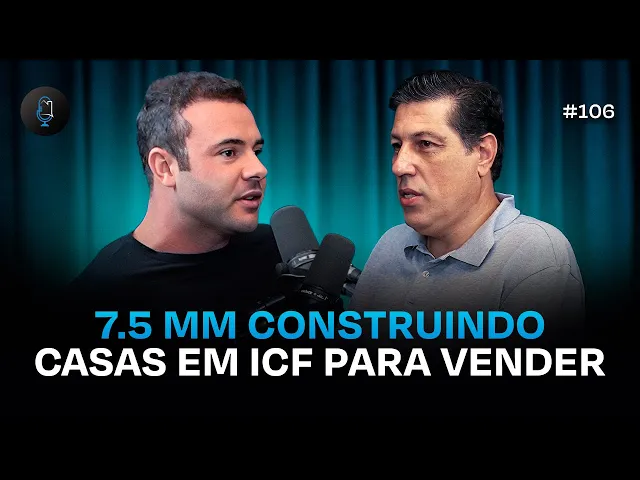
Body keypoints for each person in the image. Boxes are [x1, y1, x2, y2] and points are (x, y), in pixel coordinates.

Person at [349, 70, 585, 343]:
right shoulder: (391, 242)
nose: (399, 166)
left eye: (425, 144)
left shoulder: (537, 255)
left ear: (483, 154)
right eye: (397, 145)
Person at [67, 71, 283, 334]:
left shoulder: (277, 249)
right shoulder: (98, 298)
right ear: (165, 167)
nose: (259, 169)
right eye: (228, 152)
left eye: (256, 151)